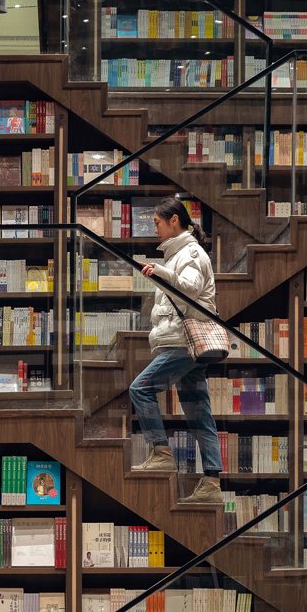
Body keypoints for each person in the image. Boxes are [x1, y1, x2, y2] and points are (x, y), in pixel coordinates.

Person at [128, 196, 223, 504]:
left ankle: (161, 451)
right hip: (185, 344)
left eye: (157, 223)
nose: (154, 228)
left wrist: (161, 272)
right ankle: (211, 481)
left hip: (182, 342)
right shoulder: (179, 254)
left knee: (140, 388)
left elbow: (190, 288)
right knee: (199, 413)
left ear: (174, 221)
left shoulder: (190, 253)